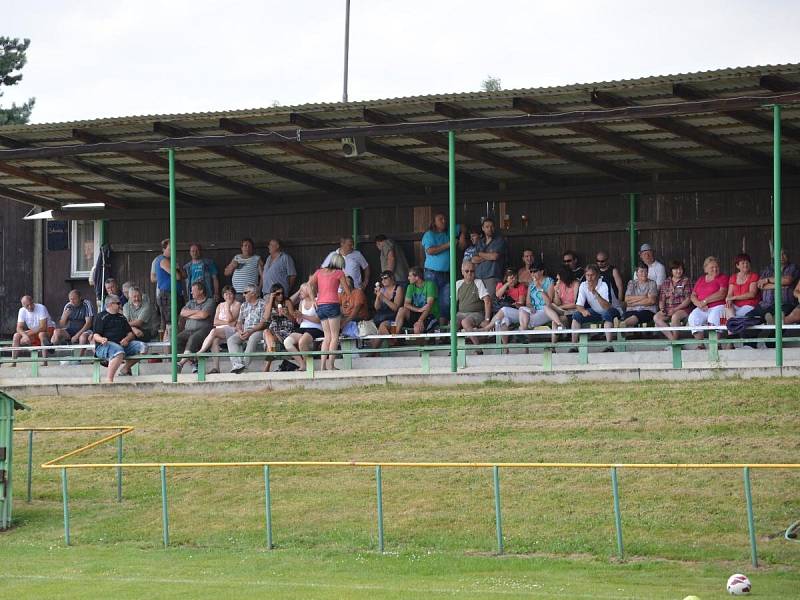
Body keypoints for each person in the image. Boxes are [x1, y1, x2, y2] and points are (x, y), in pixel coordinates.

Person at [92, 294, 147, 383]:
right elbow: (95, 335)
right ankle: (109, 381)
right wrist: (102, 339)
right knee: (118, 351)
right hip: (104, 346)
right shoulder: (100, 317)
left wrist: (127, 339)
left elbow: (130, 334)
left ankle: (125, 369)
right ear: (110, 304)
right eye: (118, 303)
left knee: (143, 347)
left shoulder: (122, 317)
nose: (120, 305)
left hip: (122, 345)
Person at [421, 212, 465, 321]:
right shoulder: (429, 234)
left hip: (447, 273)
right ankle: (431, 324)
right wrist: (448, 244)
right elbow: (430, 250)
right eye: (440, 219)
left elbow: (463, 227)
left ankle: (442, 326)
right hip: (432, 273)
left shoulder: (450, 231)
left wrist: (462, 237)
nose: (444, 221)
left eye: (444, 219)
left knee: (446, 301)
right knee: (431, 300)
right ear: (434, 222)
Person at [310, 253, 350, 370]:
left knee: (327, 336)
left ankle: (322, 366)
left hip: (320, 306)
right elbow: (347, 290)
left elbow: (308, 285)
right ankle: (331, 365)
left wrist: (313, 299)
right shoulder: (339, 273)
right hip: (332, 305)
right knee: (334, 336)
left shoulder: (318, 272)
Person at [570, 264, 618, 351]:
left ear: (598, 275)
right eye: (587, 275)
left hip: (612, 309)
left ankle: (609, 346)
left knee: (607, 314)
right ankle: (574, 346)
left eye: (592, 275)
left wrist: (595, 293)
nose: (590, 278)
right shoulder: (583, 285)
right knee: (576, 315)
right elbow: (578, 305)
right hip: (595, 311)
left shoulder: (604, 283)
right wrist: (583, 310)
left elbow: (607, 307)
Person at [199, 285, 241, 374]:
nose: (228, 296)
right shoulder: (219, 305)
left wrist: (227, 306)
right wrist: (227, 322)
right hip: (220, 331)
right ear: (223, 295)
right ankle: (216, 368)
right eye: (226, 294)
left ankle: (201, 351)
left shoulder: (237, 304)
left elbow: (231, 320)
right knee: (214, 340)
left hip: (232, 330)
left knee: (213, 331)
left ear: (234, 295)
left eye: (230, 294)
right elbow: (215, 322)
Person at [176, 282, 216, 373]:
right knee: (176, 339)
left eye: (193, 290)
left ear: (201, 291)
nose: (191, 292)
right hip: (188, 330)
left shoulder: (210, 301)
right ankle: (193, 362)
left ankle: (181, 364)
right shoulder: (190, 302)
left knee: (193, 338)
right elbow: (182, 313)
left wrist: (189, 314)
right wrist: (197, 312)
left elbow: (203, 315)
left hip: (204, 330)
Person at [687, 256, 728, 343]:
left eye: (716, 267)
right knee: (693, 318)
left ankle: (715, 346)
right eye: (712, 267)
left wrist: (705, 301)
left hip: (719, 306)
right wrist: (698, 304)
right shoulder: (701, 279)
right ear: (705, 269)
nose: (715, 269)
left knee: (713, 319)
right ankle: (701, 344)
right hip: (702, 307)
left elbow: (722, 294)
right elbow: (693, 295)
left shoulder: (723, 277)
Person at [227, 284, 266, 373]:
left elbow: (263, 323)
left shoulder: (263, 304)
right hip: (245, 331)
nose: (243, 295)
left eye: (245, 292)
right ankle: (237, 364)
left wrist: (250, 331)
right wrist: (240, 331)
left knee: (252, 338)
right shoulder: (244, 305)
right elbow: (239, 322)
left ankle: (244, 365)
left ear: (253, 293)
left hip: (257, 330)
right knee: (231, 340)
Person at [752, 249, 800, 322]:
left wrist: (767, 281)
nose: (781, 257)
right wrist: (780, 286)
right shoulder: (768, 269)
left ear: (788, 256)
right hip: (766, 305)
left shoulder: (792, 267)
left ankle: (774, 322)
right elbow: (760, 285)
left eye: (784, 254)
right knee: (749, 318)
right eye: (778, 254)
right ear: (773, 256)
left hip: (785, 304)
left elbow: (787, 280)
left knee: (778, 317)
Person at [283, 283, 322, 371]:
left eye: (302, 290)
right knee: (287, 342)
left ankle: (309, 367)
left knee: (302, 342)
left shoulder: (317, 301)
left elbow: (319, 320)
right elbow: (299, 321)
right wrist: (298, 317)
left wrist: (303, 316)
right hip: (303, 328)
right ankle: (302, 364)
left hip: (315, 328)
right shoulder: (302, 302)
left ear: (309, 290)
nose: (300, 292)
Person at [151, 238, 184, 339]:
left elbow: (183, 275)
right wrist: (176, 268)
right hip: (167, 294)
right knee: (169, 321)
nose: (172, 251)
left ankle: (171, 344)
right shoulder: (162, 260)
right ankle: (168, 346)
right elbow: (177, 276)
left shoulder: (171, 260)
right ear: (164, 249)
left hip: (174, 293)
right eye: (170, 249)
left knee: (174, 319)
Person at [455, 260, 492, 346]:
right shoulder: (458, 283)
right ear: (462, 272)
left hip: (476, 314)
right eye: (467, 271)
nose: (469, 273)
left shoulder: (478, 282)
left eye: (472, 271)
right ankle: (453, 349)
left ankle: (477, 347)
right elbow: (453, 302)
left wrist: (487, 320)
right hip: (460, 313)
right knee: (453, 322)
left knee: (465, 322)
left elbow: (487, 301)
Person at [654, 259, 693, 340]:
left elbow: (688, 299)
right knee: (657, 318)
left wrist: (675, 309)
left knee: (675, 317)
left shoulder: (686, 281)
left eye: (680, 269)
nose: (678, 271)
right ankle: (673, 339)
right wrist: (662, 309)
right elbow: (661, 299)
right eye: (676, 269)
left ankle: (674, 341)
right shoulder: (666, 282)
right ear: (671, 270)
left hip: (683, 308)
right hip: (668, 308)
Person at [11, 296, 56, 364]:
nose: (30, 307)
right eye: (27, 306)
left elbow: (43, 327)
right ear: (23, 305)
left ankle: (45, 362)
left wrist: (27, 335)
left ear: (33, 301)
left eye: (31, 304)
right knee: (16, 336)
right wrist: (24, 336)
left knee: (41, 334)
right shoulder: (22, 310)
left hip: (48, 330)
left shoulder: (41, 308)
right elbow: (19, 328)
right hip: (34, 331)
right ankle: (13, 362)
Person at [395, 266, 439, 335]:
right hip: (417, 312)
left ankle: (420, 345)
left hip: (429, 315)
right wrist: (419, 310)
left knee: (417, 328)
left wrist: (420, 320)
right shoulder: (410, 286)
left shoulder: (430, 285)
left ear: (417, 277)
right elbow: (406, 304)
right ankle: (395, 336)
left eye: (410, 276)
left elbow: (429, 305)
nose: (408, 278)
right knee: (401, 309)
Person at [482, 268, 527, 335]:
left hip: (517, 312)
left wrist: (516, 304)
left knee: (504, 309)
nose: (514, 279)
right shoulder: (501, 285)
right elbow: (498, 295)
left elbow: (521, 303)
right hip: (501, 313)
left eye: (515, 277)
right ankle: (504, 345)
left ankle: (486, 329)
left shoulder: (521, 286)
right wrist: (507, 284)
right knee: (504, 322)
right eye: (511, 278)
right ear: (506, 278)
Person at [262, 284, 296, 372]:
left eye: (282, 293)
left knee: (271, 341)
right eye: (278, 294)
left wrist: (287, 314)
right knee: (266, 331)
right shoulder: (270, 304)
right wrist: (270, 300)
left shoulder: (287, 302)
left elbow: (294, 320)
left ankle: (267, 367)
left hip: (285, 329)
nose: (281, 295)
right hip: (274, 330)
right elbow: (266, 318)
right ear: (273, 294)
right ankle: (272, 351)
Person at [471, 217, 507, 300]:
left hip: (492, 277)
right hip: (478, 277)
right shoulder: (480, 242)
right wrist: (488, 256)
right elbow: (473, 259)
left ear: (494, 227)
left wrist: (480, 254)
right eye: (487, 227)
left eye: (491, 226)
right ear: (483, 228)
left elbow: (495, 256)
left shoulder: (499, 241)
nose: (489, 229)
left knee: (492, 301)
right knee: (478, 302)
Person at [520, 261, 560, 331]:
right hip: (534, 311)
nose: (532, 274)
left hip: (546, 311)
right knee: (522, 309)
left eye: (534, 271)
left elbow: (548, 302)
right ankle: (524, 331)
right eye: (531, 271)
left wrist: (539, 288)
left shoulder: (549, 281)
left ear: (542, 271)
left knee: (525, 322)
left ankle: (523, 331)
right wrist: (531, 308)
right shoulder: (531, 284)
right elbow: (528, 303)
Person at [370, 271, 406, 348]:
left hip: (395, 320)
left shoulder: (398, 288)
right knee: (381, 328)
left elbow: (395, 308)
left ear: (392, 278)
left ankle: (392, 340)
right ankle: (392, 341)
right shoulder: (382, 290)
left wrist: (383, 298)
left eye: (385, 278)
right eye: (382, 278)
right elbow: (377, 308)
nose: (383, 280)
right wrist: (378, 296)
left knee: (382, 327)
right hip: (382, 318)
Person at [725, 253, 759, 320]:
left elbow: (752, 294)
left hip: (749, 305)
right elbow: (729, 294)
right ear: (737, 265)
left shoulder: (754, 276)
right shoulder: (733, 277)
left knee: (737, 316)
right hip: (735, 305)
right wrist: (729, 300)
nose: (746, 265)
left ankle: (732, 327)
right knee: (727, 309)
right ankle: (733, 326)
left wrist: (734, 298)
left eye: (747, 263)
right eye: (743, 263)